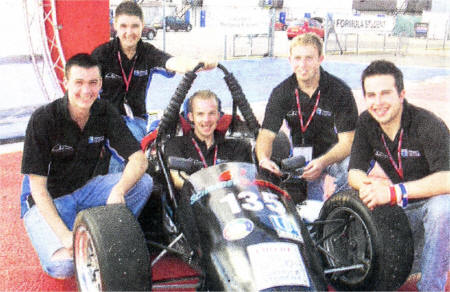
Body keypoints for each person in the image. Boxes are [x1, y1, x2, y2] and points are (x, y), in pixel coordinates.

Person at [20, 53, 152, 279]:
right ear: (66, 82)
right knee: (65, 267)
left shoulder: (104, 111)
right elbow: (38, 190)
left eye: (93, 83)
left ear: (100, 83)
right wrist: (63, 236)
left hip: (86, 191)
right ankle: (78, 237)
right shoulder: (43, 119)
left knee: (144, 183)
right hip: (49, 201)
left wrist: (118, 190)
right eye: (78, 83)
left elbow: (139, 159)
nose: (86, 90)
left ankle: (107, 238)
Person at [348, 60, 449, 291]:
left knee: (443, 207)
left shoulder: (428, 124)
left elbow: (447, 179)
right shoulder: (366, 121)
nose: (378, 102)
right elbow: (354, 171)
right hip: (401, 210)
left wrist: (394, 191)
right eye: (371, 95)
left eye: (385, 93)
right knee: (351, 190)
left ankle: (431, 286)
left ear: (401, 94)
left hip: (431, 212)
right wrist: (367, 186)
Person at [92, 1, 217, 145]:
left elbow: (173, 62)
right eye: (123, 26)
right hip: (107, 121)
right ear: (115, 25)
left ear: (142, 25)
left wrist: (201, 64)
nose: (129, 32)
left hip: (136, 122)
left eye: (135, 26)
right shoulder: (101, 54)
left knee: (134, 144)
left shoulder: (148, 52)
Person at [255, 33, 358, 202]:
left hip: (333, 157)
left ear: (320, 59)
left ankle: (339, 209)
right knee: (306, 209)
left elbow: (348, 141)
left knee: (352, 168)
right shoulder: (281, 92)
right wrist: (264, 159)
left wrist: (323, 162)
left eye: (309, 58)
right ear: (290, 60)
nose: (302, 65)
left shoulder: (340, 91)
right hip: (300, 158)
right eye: (297, 58)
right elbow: (266, 134)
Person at [164, 90, 253, 190]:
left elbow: (246, 180)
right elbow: (177, 179)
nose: (206, 120)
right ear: (191, 117)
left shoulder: (238, 146)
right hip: (195, 203)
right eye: (200, 114)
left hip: (231, 200)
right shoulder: (175, 145)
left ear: (218, 116)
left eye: (211, 113)